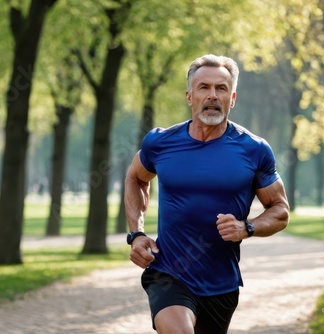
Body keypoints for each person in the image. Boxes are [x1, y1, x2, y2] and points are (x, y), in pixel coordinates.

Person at [124, 54, 290, 334]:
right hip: (168, 272)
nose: (212, 95)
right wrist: (136, 233)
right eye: (204, 87)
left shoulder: (254, 150)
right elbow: (135, 178)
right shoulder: (160, 143)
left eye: (221, 88)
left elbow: (280, 210)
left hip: (221, 283)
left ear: (232, 98)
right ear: (190, 96)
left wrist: (246, 227)